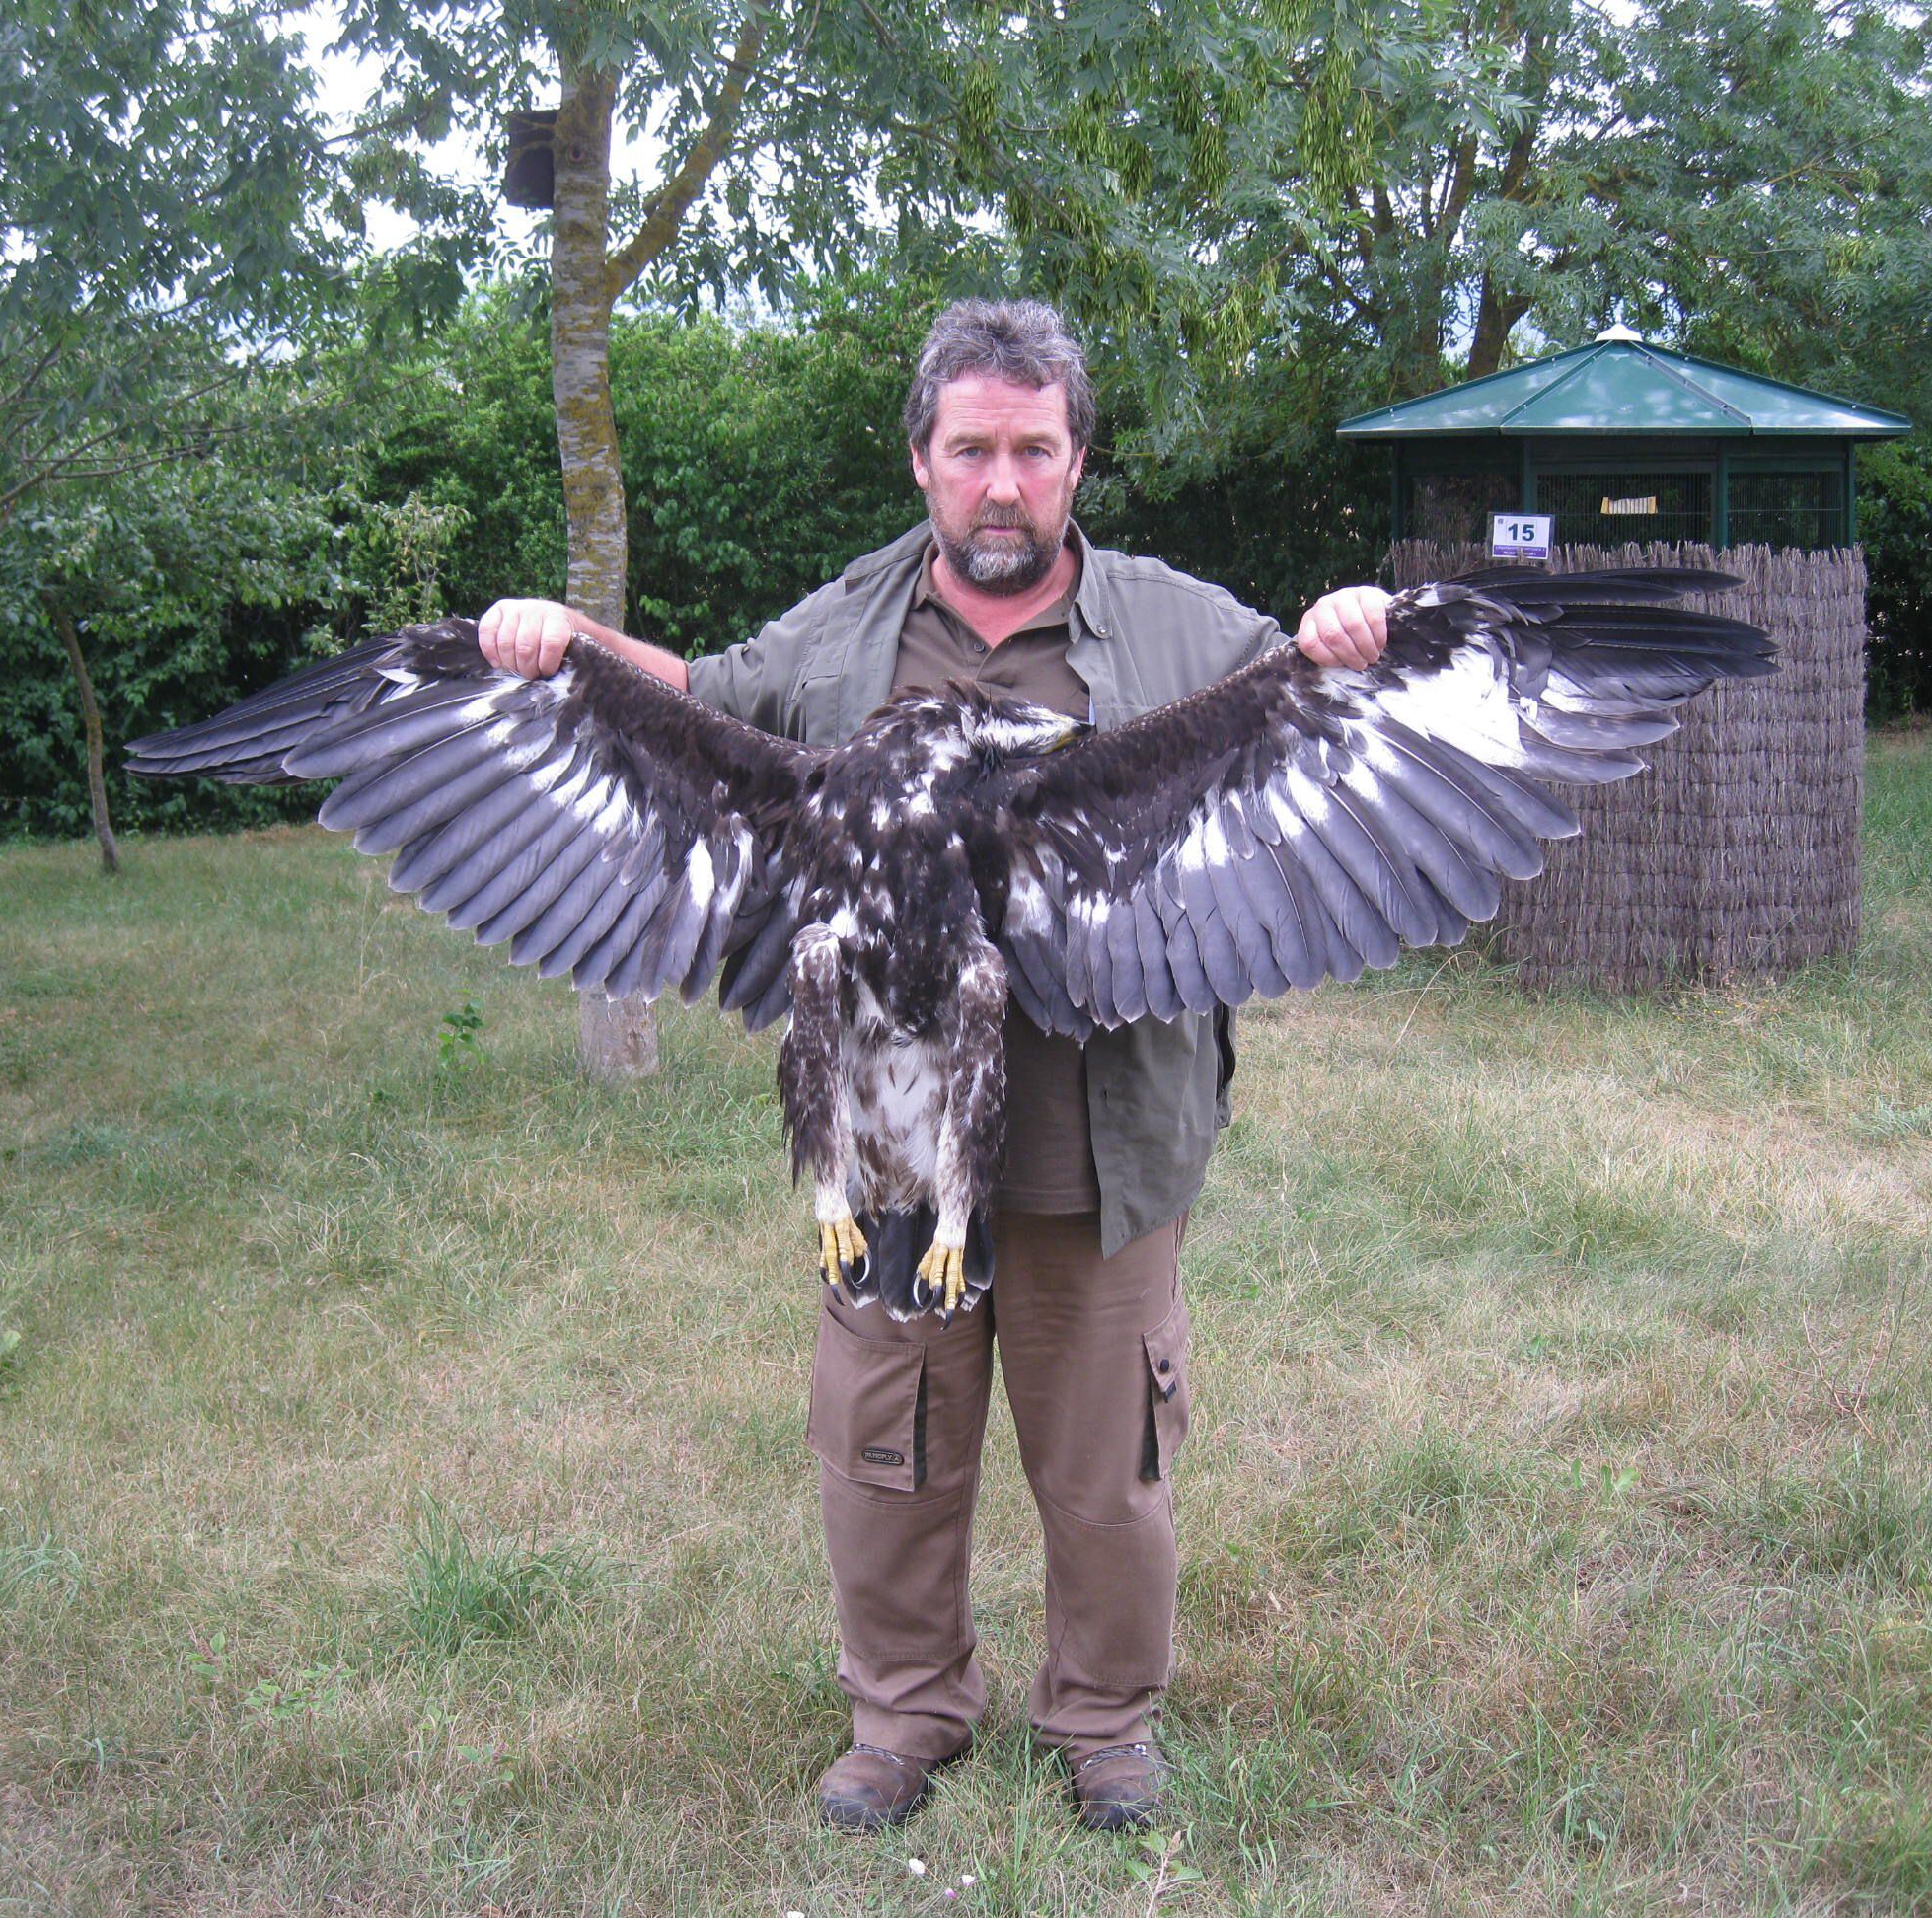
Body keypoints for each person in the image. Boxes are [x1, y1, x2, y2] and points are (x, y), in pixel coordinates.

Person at [478, 299, 1390, 1833]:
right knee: (885, 1450)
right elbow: (694, 702)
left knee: (1106, 1466)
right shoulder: (844, 631)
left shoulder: (1178, 630)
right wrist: (562, 643)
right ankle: (906, 1715)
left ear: (1077, 463)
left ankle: (1106, 1723)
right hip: (893, 1134)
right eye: (971, 450)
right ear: (922, 464)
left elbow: (1312, 694)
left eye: (1034, 451)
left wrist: (1362, 622)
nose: (1003, 484)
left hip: (1105, 1135)